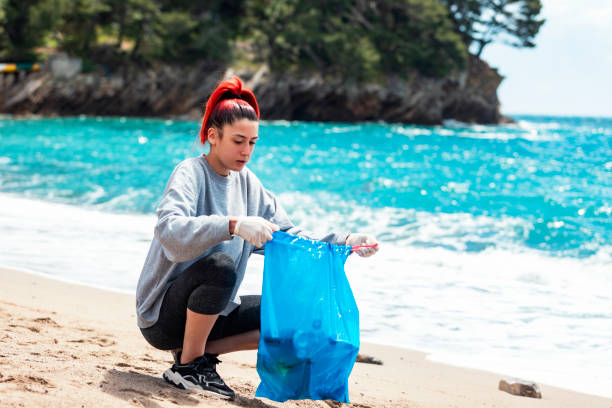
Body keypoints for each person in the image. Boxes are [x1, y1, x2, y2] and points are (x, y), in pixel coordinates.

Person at [135, 76, 379, 400]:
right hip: (162, 316)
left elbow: (287, 235)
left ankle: (194, 355)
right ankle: (190, 367)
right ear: (213, 136)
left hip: (212, 313)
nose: (246, 151)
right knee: (220, 266)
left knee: (286, 312)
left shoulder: (248, 183)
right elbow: (170, 232)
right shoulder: (190, 172)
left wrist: (342, 240)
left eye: (252, 142)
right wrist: (232, 225)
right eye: (238, 141)